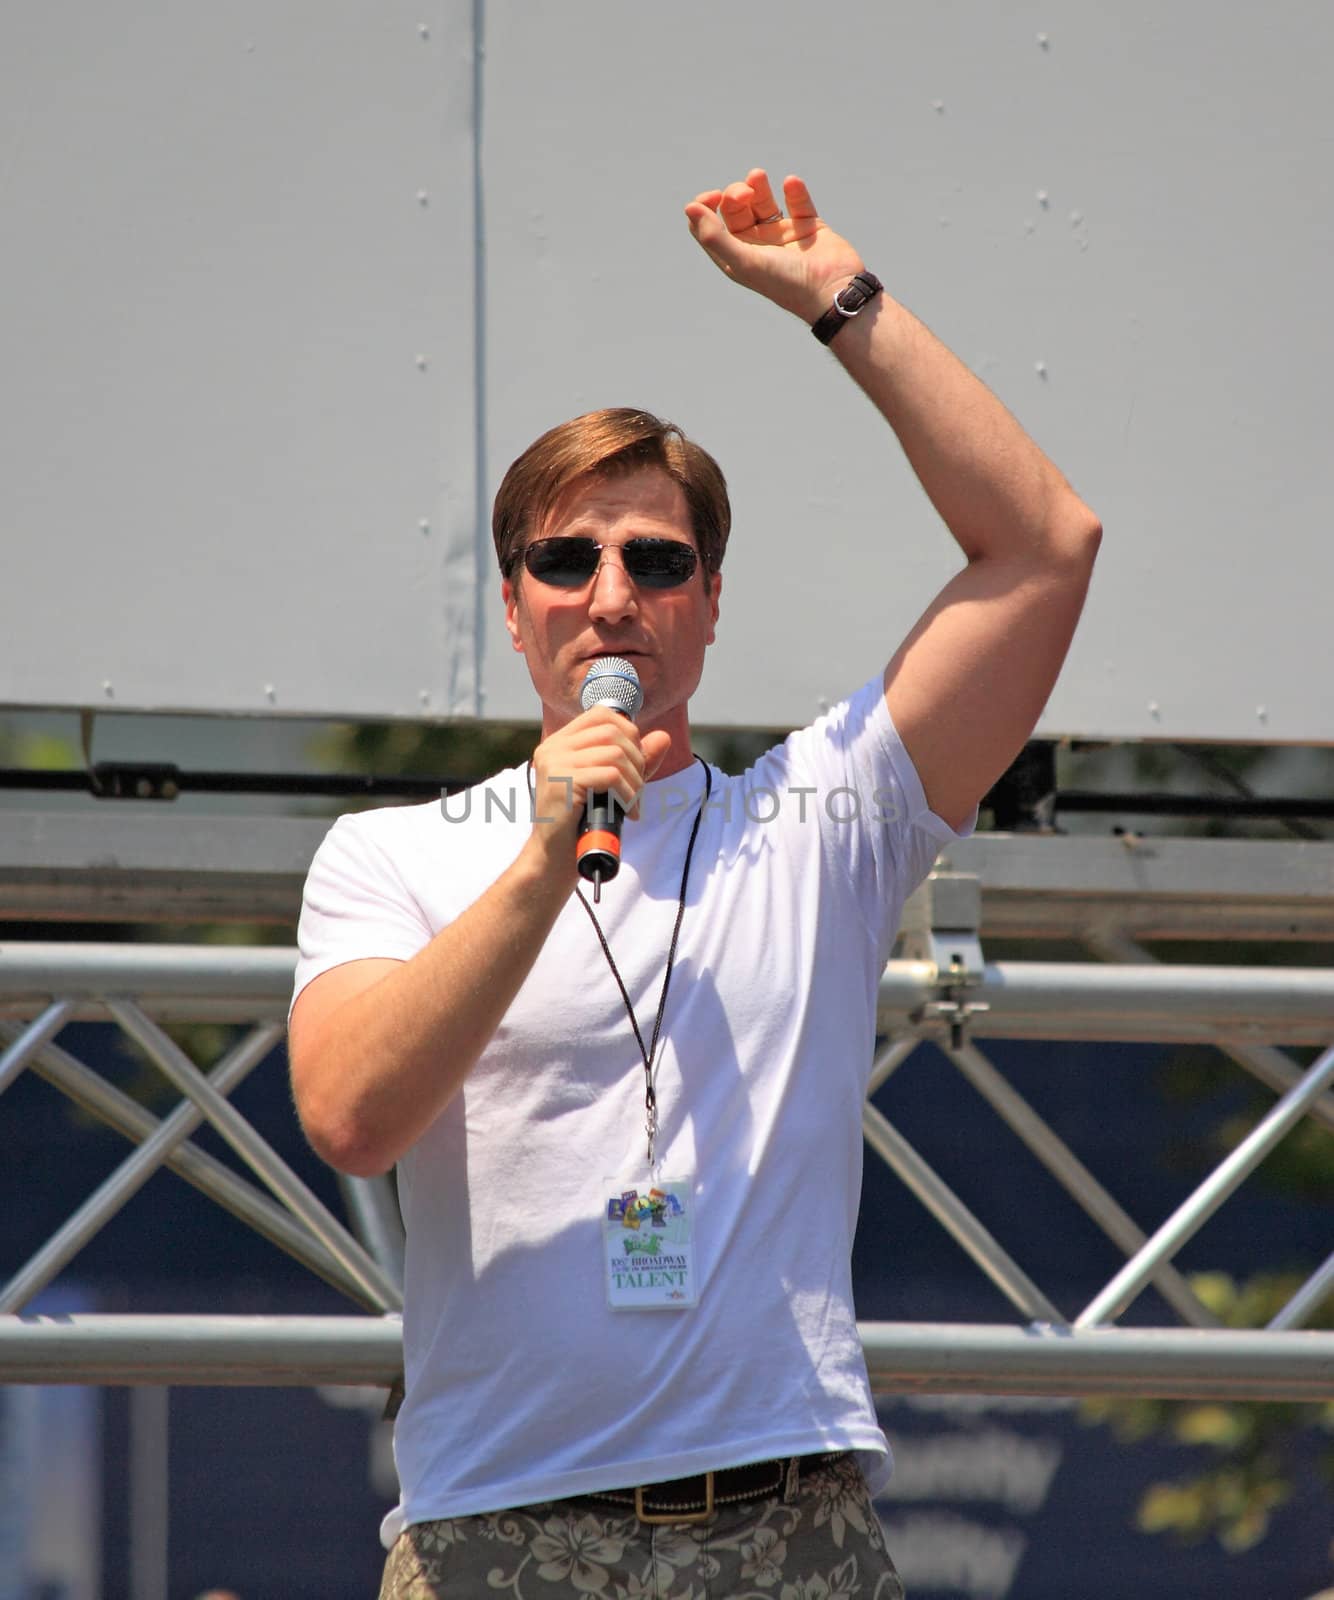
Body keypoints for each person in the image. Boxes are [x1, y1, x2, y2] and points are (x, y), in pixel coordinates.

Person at [289, 167, 1100, 1598]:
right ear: (514, 602)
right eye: (568, 558)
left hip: (784, 1515)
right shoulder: (395, 854)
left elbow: (1043, 548)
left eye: (657, 561)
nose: (612, 595)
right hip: (499, 1530)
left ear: (709, 605)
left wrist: (840, 301)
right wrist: (549, 854)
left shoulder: (817, 818)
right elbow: (352, 1115)